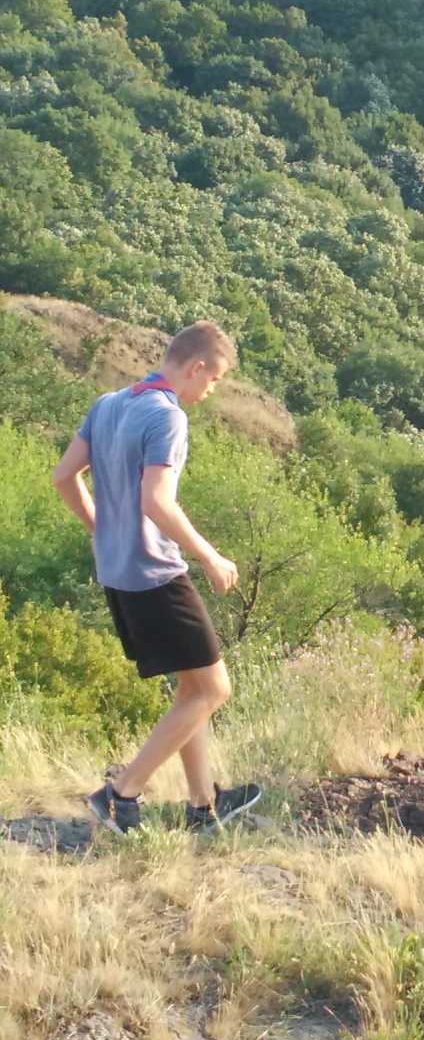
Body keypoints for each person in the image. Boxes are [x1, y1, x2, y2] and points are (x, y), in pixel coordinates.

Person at [51, 321, 261, 835]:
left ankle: (203, 806)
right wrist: (211, 556)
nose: (211, 392)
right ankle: (120, 793)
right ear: (196, 367)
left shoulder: (108, 405)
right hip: (156, 573)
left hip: (118, 573)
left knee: (191, 685)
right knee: (214, 689)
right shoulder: (167, 416)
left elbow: (63, 477)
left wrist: (103, 529)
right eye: (214, 381)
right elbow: (157, 502)